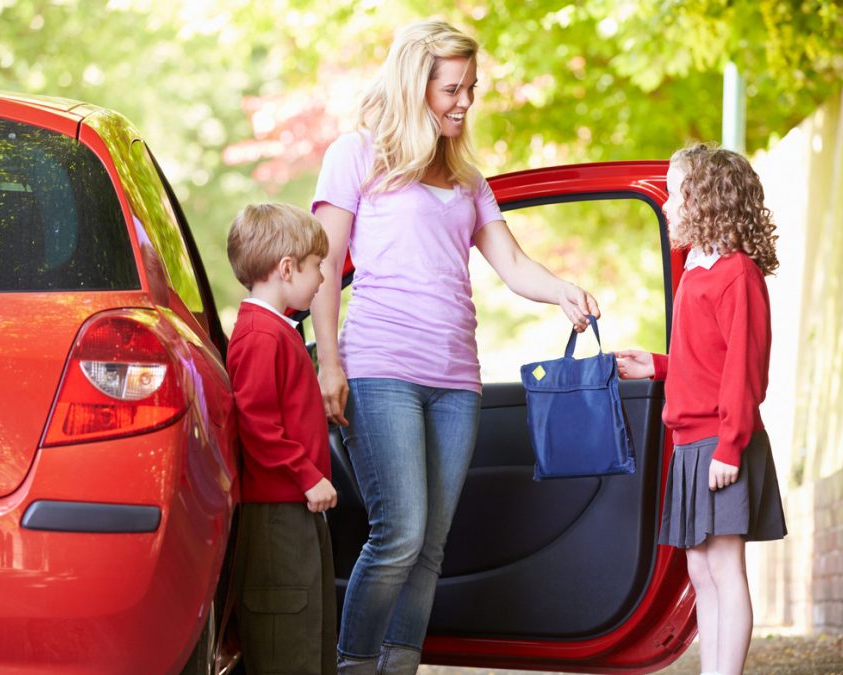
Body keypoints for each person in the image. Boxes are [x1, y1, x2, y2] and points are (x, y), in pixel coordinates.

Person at [309, 19, 601, 675]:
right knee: (401, 531)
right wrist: (329, 361)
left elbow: (513, 262)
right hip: (380, 368)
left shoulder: (467, 177)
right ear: (416, 85)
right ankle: (354, 664)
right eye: (451, 89)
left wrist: (563, 291)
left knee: (431, 543)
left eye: (470, 87)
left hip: (456, 382)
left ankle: (400, 666)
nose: (464, 101)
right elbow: (323, 265)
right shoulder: (356, 153)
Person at [615, 144, 787, 675]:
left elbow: (744, 371)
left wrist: (731, 446)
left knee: (724, 564)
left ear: (704, 198)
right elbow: (704, 358)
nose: (666, 203)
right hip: (693, 441)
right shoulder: (696, 270)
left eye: (673, 191)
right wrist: (660, 366)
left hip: (722, 442)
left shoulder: (739, 274)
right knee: (700, 567)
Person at [226, 203, 338, 675]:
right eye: (317, 268)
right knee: (284, 638)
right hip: (277, 512)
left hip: (297, 507)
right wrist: (307, 475)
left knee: (310, 628)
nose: (323, 279)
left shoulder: (279, 331)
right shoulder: (259, 336)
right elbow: (256, 423)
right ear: (287, 268)